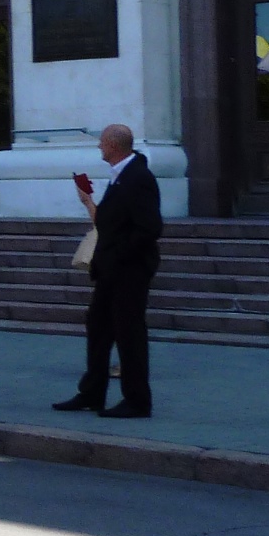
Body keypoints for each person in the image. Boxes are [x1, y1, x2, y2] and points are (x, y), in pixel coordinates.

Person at [56, 123, 164, 419]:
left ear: (114, 146)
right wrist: (88, 201)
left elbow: (150, 227)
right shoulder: (121, 176)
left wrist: (118, 256)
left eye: (103, 143)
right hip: (111, 270)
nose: (100, 147)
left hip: (129, 270)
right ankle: (92, 392)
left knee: (129, 333)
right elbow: (109, 223)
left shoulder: (137, 177)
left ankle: (137, 400)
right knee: (99, 327)